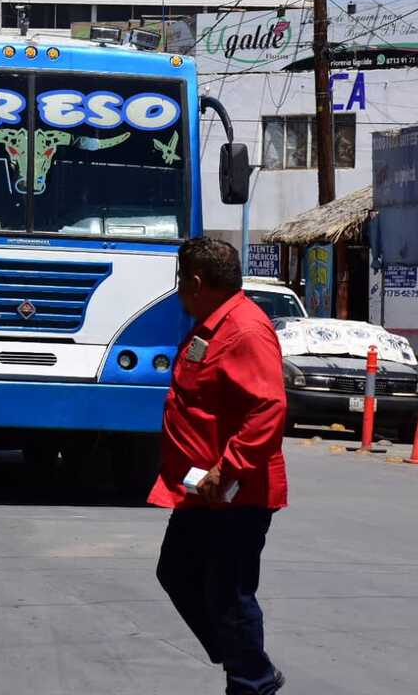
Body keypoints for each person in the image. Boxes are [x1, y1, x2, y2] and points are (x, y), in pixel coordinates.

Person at [148, 237, 288, 695]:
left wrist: (226, 470)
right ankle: (244, 660)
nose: (179, 292)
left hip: (234, 492)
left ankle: (251, 679)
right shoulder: (212, 325)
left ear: (195, 281)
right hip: (199, 490)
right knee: (178, 573)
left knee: (228, 593)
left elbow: (268, 408)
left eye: (180, 282)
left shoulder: (245, 330)